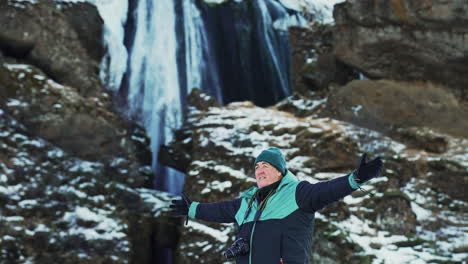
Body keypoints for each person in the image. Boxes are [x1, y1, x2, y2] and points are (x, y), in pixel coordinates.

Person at [170, 147, 383, 264]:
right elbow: (219, 210)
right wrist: (191, 208)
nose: (259, 170)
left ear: (280, 172)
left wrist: (356, 179)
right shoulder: (247, 201)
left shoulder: (298, 193)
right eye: (257, 167)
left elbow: (328, 190)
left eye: (266, 166)